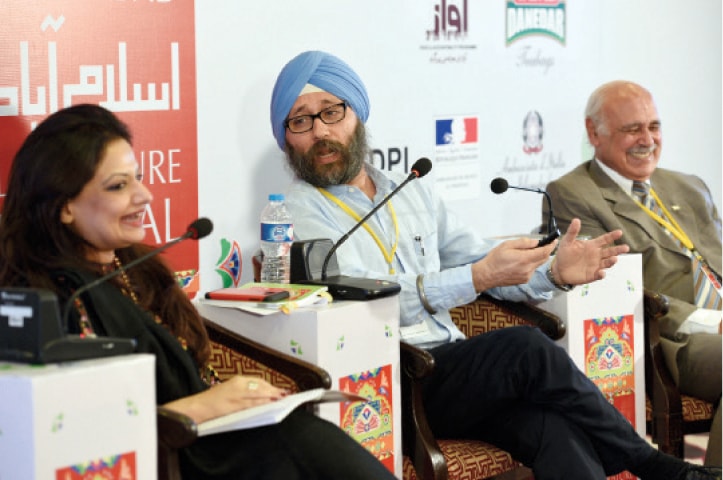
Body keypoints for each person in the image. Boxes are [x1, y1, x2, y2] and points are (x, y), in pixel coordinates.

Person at [268, 50, 723, 480]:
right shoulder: (297, 213)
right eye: (301, 121)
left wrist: (552, 273)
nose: (320, 132)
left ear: (357, 116)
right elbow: (362, 297)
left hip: (451, 364)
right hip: (385, 378)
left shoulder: (409, 188)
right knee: (526, 349)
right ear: (286, 137)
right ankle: (657, 466)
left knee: (554, 432)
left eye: (331, 112)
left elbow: (481, 260)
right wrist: (477, 277)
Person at [0, 104, 397, 480]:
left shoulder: (138, 269)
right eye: (119, 186)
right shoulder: (41, 299)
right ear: (63, 205)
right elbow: (71, 434)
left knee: (299, 433)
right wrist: (197, 407)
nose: (144, 196)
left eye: (138, 177)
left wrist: (236, 397)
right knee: (297, 443)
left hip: (208, 440)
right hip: (161, 460)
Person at [545, 80, 722, 467]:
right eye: (632, 130)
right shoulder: (573, 193)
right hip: (669, 339)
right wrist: (713, 322)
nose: (648, 140)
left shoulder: (689, 186)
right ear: (594, 133)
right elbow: (610, 287)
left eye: (654, 127)